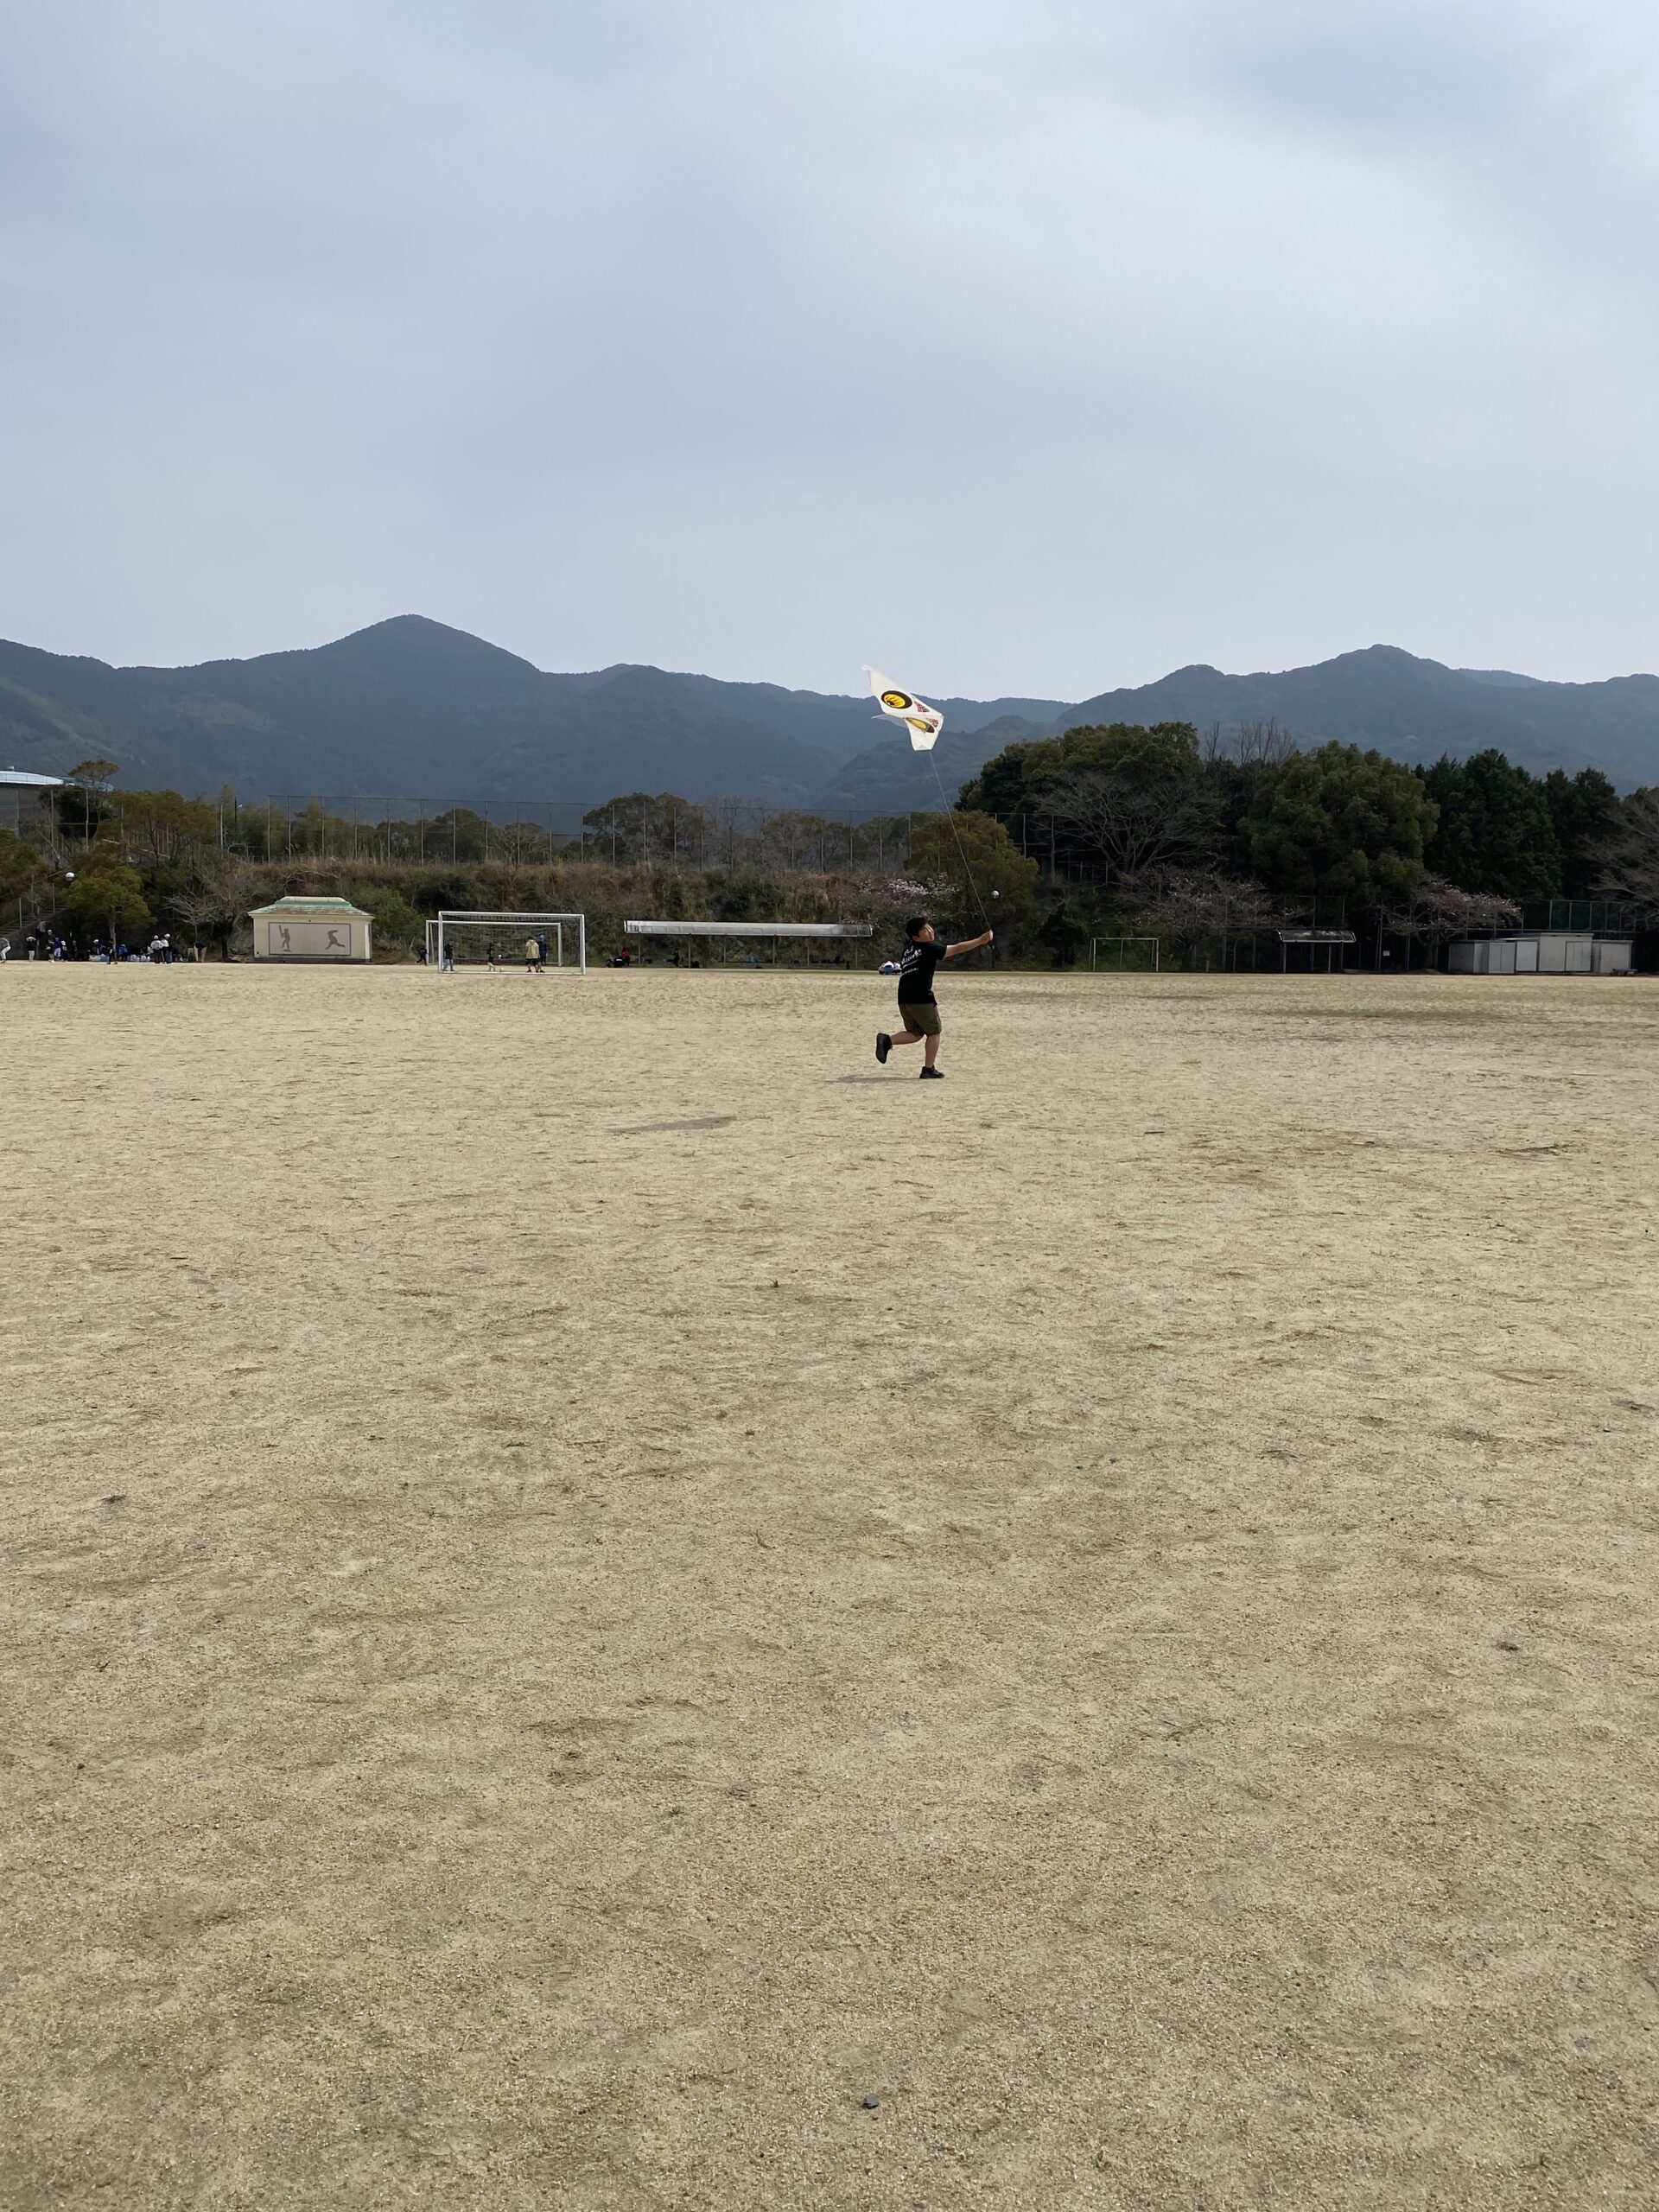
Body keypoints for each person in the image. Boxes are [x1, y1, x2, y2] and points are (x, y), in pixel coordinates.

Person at [876, 914, 994, 1079]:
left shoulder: (909, 949)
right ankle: (928, 1069)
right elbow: (957, 949)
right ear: (916, 937)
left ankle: (887, 1040)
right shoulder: (929, 948)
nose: (930, 931)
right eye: (924, 930)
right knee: (934, 1032)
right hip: (921, 996)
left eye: (929, 927)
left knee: (916, 1033)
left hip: (904, 997)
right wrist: (981, 940)